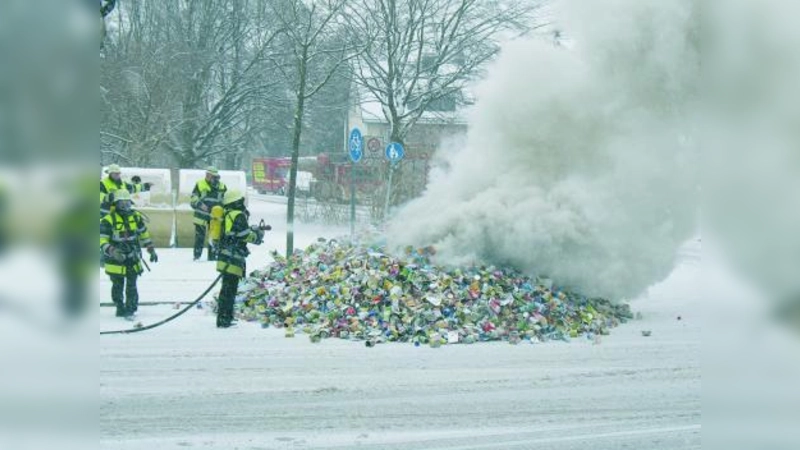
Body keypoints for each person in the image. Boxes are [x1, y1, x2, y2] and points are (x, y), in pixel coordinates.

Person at [99, 190, 158, 318]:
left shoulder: (136, 217)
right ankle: (119, 306)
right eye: (122, 203)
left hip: (132, 256)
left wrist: (150, 248)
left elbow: (143, 233)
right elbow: (101, 239)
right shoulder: (108, 220)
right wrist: (112, 250)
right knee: (117, 285)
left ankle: (131, 308)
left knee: (132, 284)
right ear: (116, 204)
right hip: (115, 259)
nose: (125, 206)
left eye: (127, 203)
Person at [215, 190, 266, 328]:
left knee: (226, 289)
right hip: (232, 258)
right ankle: (224, 319)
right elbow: (244, 235)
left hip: (225, 256)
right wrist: (257, 236)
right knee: (229, 291)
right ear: (236, 201)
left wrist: (252, 230)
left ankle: (224, 317)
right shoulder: (238, 215)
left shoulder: (228, 213)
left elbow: (236, 232)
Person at [190, 166, 227, 261]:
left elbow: (225, 200)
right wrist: (200, 204)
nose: (207, 176)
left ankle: (212, 257)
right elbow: (193, 198)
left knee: (214, 236)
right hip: (201, 215)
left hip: (215, 216)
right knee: (199, 237)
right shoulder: (199, 184)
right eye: (207, 174)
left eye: (209, 175)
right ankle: (197, 256)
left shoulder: (222, 186)